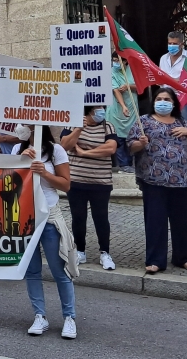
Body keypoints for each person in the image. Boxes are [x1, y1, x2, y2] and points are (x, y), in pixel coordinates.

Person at [11, 125, 78, 339]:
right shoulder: (16, 150)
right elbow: (8, 182)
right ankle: (39, 316)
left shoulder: (56, 150)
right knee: (32, 272)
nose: (22, 126)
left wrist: (44, 173)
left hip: (48, 216)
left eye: (28, 124)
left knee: (60, 271)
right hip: (25, 217)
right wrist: (20, 161)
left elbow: (66, 184)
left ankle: (69, 317)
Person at [129, 87, 187, 273]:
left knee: (181, 221)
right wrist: (141, 143)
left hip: (183, 180)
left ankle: (182, 257)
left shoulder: (182, 121)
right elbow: (131, 147)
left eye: (167, 99)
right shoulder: (143, 122)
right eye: (159, 98)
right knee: (155, 221)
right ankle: (155, 260)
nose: (162, 102)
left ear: (174, 103)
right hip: (154, 180)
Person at [60, 106, 118, 270]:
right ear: (88, 111)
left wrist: (85, 153)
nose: (101, 112)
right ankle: (80, 251)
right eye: (97, 109)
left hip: (101, 182)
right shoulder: (72, 125)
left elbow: (111, 148)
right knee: (78, 217)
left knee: (101, 218)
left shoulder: (108, 126)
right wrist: (79, 128)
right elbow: (64, 145)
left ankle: (105, 253)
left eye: (102, 109)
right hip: (76, 181)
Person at [107, 53, 138, 173]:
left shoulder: (133, 70)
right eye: (114, 60)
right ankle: (123, 164)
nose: (115, 63)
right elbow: (116, 90)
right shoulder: (111, 72)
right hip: (117, 108)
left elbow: (139, 87)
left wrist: (128, 86)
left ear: (125, 61)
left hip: (132, 106)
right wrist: (123, 106)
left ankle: (131, 163)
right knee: (118, 137)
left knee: (131, 136)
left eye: (118, 61)